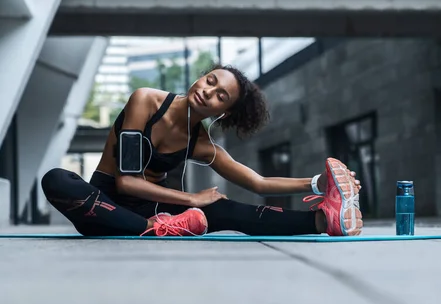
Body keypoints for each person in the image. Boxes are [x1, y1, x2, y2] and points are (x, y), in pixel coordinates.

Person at [41, 64, 363, 237]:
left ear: (223, 113)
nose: (208, 92)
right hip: (105, 206)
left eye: (220, 96)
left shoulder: (200, 143)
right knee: (57, 180)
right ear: (201, 77)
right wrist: (193, 201)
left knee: (229, 210)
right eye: (210, 81)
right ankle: (155, 230)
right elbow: (126, 182)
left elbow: (257, 182)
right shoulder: (145, 101)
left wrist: (319, 183)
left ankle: (323, 221)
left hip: (154, 211)